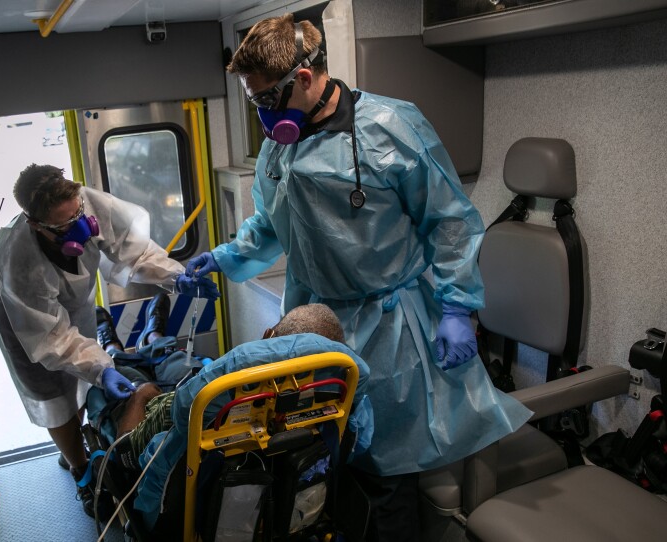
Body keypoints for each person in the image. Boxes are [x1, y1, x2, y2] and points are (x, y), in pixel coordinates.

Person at [185, 15, 532, 541]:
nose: (261, 115)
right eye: (253, 103)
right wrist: (226, 256)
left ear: (303, 78)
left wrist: (458, 306)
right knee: (325, 455)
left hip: (391, 325)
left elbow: (451, 221)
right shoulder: (280, 146)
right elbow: (272, 223)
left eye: (264, 100)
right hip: (317, 323)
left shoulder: (391, 126)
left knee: (388, 468)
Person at [0, 164, 219, 511]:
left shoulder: (86, 202)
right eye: (65, 225)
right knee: (49, 386)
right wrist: (103, 370)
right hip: (17, 308)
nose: (80, 225)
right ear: (36, 224)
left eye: (78, 213)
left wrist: (176, 277)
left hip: (70, 300)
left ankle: (117, 343)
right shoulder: (19, 263)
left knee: (83, 366)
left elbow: (134, 250)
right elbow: (51, 338)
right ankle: (80, 470)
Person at [89, 300, 373, 535]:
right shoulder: (339, 410)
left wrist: (140, 396)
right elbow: (359, 445)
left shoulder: (215, 393)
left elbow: (133, 448)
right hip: (204, 395)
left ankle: (112, 347)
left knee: (130, 382)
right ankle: (153, 336)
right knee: (177, 362)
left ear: (268, 337)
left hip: (194, 409)